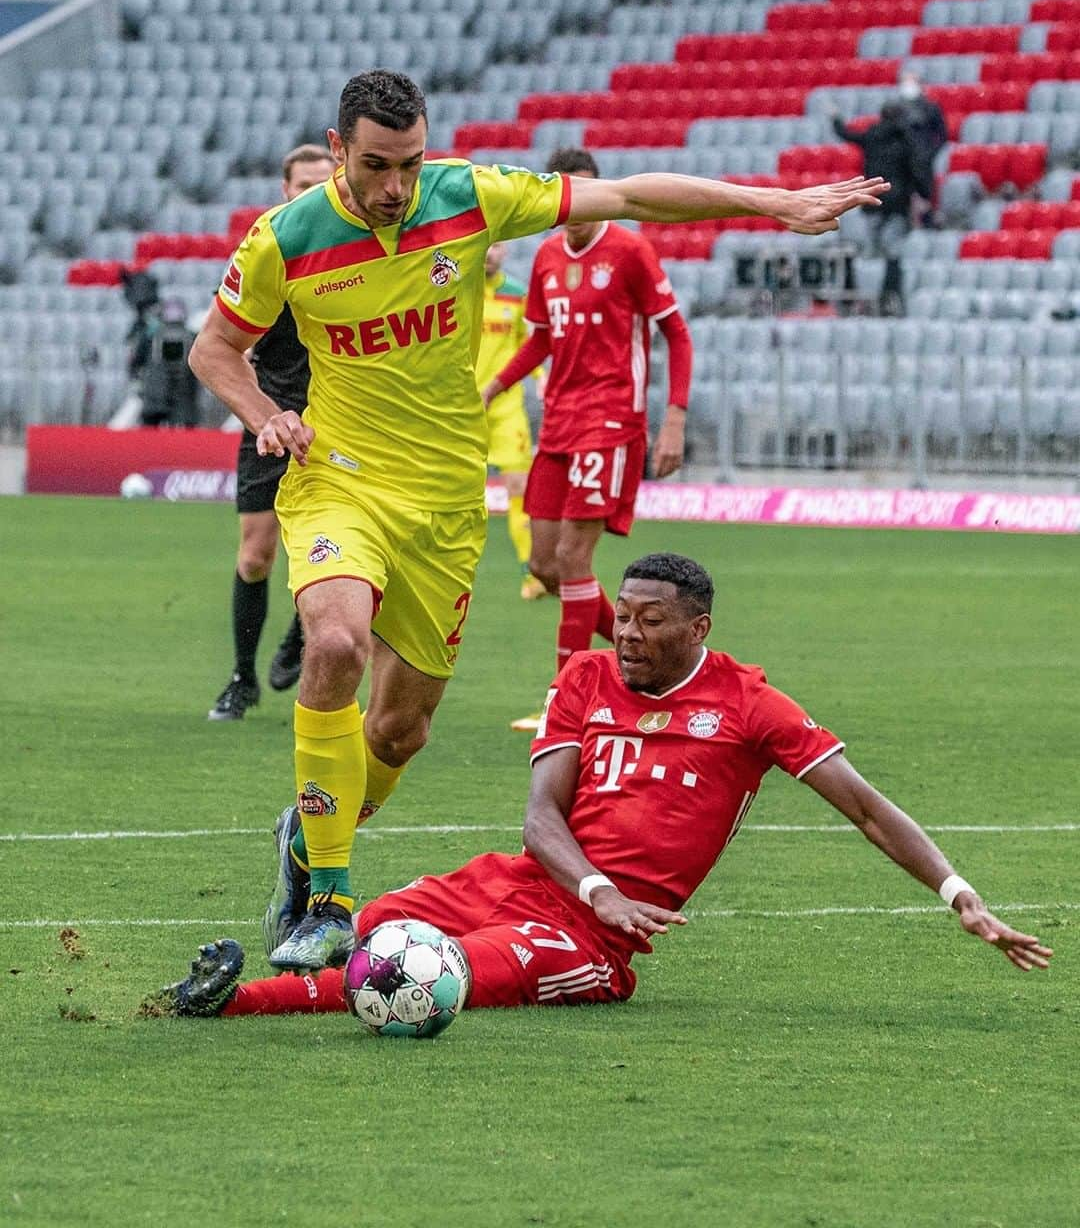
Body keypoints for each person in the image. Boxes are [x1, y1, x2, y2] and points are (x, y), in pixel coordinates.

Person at [189, 67, 889, 973]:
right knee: (333, 647)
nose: (396, 186)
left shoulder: (469, 195)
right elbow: (216, 348)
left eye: (409, 162)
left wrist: (774, 203)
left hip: (445, 502)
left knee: (400, 733)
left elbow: (633, 194)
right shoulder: (285, 237)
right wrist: (265, 414)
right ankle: (327, 897)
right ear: (336, 153)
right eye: (375, 166)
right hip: (341, 481)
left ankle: (310, 829)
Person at [149, 552, 1051, 1020]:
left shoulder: (751, 706)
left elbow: (864, 805)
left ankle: (227, 1004)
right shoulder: (584, 678)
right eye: (622, 616)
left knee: (434, 973)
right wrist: (596, 885)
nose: (627, 633)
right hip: (533, 882)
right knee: (377, 926)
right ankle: (261, 972)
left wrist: (960, 894)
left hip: (594, 947)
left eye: (650, 622)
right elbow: (540, 816)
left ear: (697, 626)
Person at [481, 148, 694, 731]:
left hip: (610, 421)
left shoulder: (630, 252)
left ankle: (565, 704)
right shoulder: (548, 256)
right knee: (546, 565)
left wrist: (673, 417)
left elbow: (676, 333)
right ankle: (661, 658)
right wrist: (492, 388)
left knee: (576, 558)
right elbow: (541, 341)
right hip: (558, 422)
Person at [208, 144, 335, 721]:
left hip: (340, 422)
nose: (311, 191)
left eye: (323, 181)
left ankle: (301, 633)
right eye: (301, 183)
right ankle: (242, 678)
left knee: (330, 548)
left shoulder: (354, 251)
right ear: (284, 189)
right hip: (270, 415)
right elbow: (223, 340)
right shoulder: (267, 253)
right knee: (256, 554)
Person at [476, 240, 546, 601]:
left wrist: (540, 378)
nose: (489, 252)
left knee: (519, 487)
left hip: (505, 409)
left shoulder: (516, 294)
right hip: (460, 409)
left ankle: (530, 574)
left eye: (497, 245)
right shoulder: (457, 290)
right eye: (485, 245)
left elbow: (529, 344)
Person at [831, 101, 919, 315]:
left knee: (870, 255)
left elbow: (846, 134)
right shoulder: (905, 139)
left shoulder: (872, 136)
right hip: (897, 203)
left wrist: (836, 118)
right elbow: (916, 169)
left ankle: (867, 301)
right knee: (894, 253)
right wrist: (923, 195)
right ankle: (890, 297)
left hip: (873, 201)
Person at [897, 69, 948, 224]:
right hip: (902, 160)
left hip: (924, 158)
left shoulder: (930, 108)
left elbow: (942, 134)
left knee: (925, 192)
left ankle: (928, 219)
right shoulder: (896, 109)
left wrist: (931, 152)